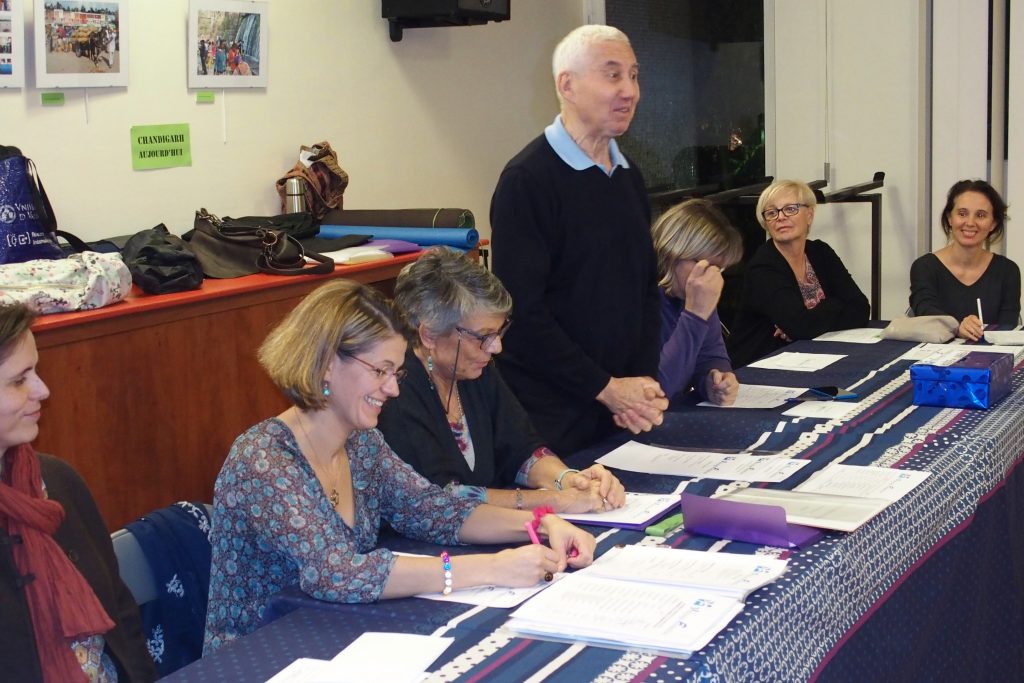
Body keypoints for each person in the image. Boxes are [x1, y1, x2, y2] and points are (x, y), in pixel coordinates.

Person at [203, 280, 596, 652]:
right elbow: (339, 572)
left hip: (337, 634)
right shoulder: (263, 458)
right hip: (263, 654)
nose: (392, 389)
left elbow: (433, 509)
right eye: (380, 371)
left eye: (397, 372)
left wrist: (541, 524)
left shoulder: (361, 443)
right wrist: (491, 568)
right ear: (325, 363)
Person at [490, 24, 667, 455]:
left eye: (634, 75)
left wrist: (639, 384)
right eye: (612, 75)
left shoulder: (628, 176)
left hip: (621, 410)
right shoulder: (527, 180)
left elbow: (644, 291)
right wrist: (605, 388)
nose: (630, 91)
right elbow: (520, 317)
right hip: (552, 419)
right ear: (566, 85)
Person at [377, 248, 626, 514]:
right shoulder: (396, 390)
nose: (496, 347)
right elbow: (441, 497)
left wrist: (569, 479)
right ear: (429, 335)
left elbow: (520, 449)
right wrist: (551, 501)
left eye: (498, 332)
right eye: (483, 336)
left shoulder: (475, 368)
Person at [0, 303, 156, 683]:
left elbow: (120, 613)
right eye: (19, 380)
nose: (43, 390)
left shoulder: (58, 481)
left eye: (36, 370)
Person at [728, 179, 870, 367]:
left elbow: (860, 308)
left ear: (809, 215)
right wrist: (835, 304)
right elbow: (802, 326)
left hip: (811, 358)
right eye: (772, 213)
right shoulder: (762, 267)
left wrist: (811, 318)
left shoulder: (821, 252)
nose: (780, 217)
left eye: (790, 209)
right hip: (760, 365)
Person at [651, 199, 743, 404]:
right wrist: (695, 315)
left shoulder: (693, 293)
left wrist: (715, 381)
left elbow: (710, 355)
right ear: (672, 252)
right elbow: (656, 390)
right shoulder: (636, 298)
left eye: (719, 269)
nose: (711, 276)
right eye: (704, 265)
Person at [909, 179, 1020, 340]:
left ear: (993, 223)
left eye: (980, 215)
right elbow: (925, 311)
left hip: (989, 358)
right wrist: (957, 327)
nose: (970, 223)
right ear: (949, 218)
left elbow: (1007, 327)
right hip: (933, 360)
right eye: (962, 214)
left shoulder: (1008, 271)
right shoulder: (924, 267)